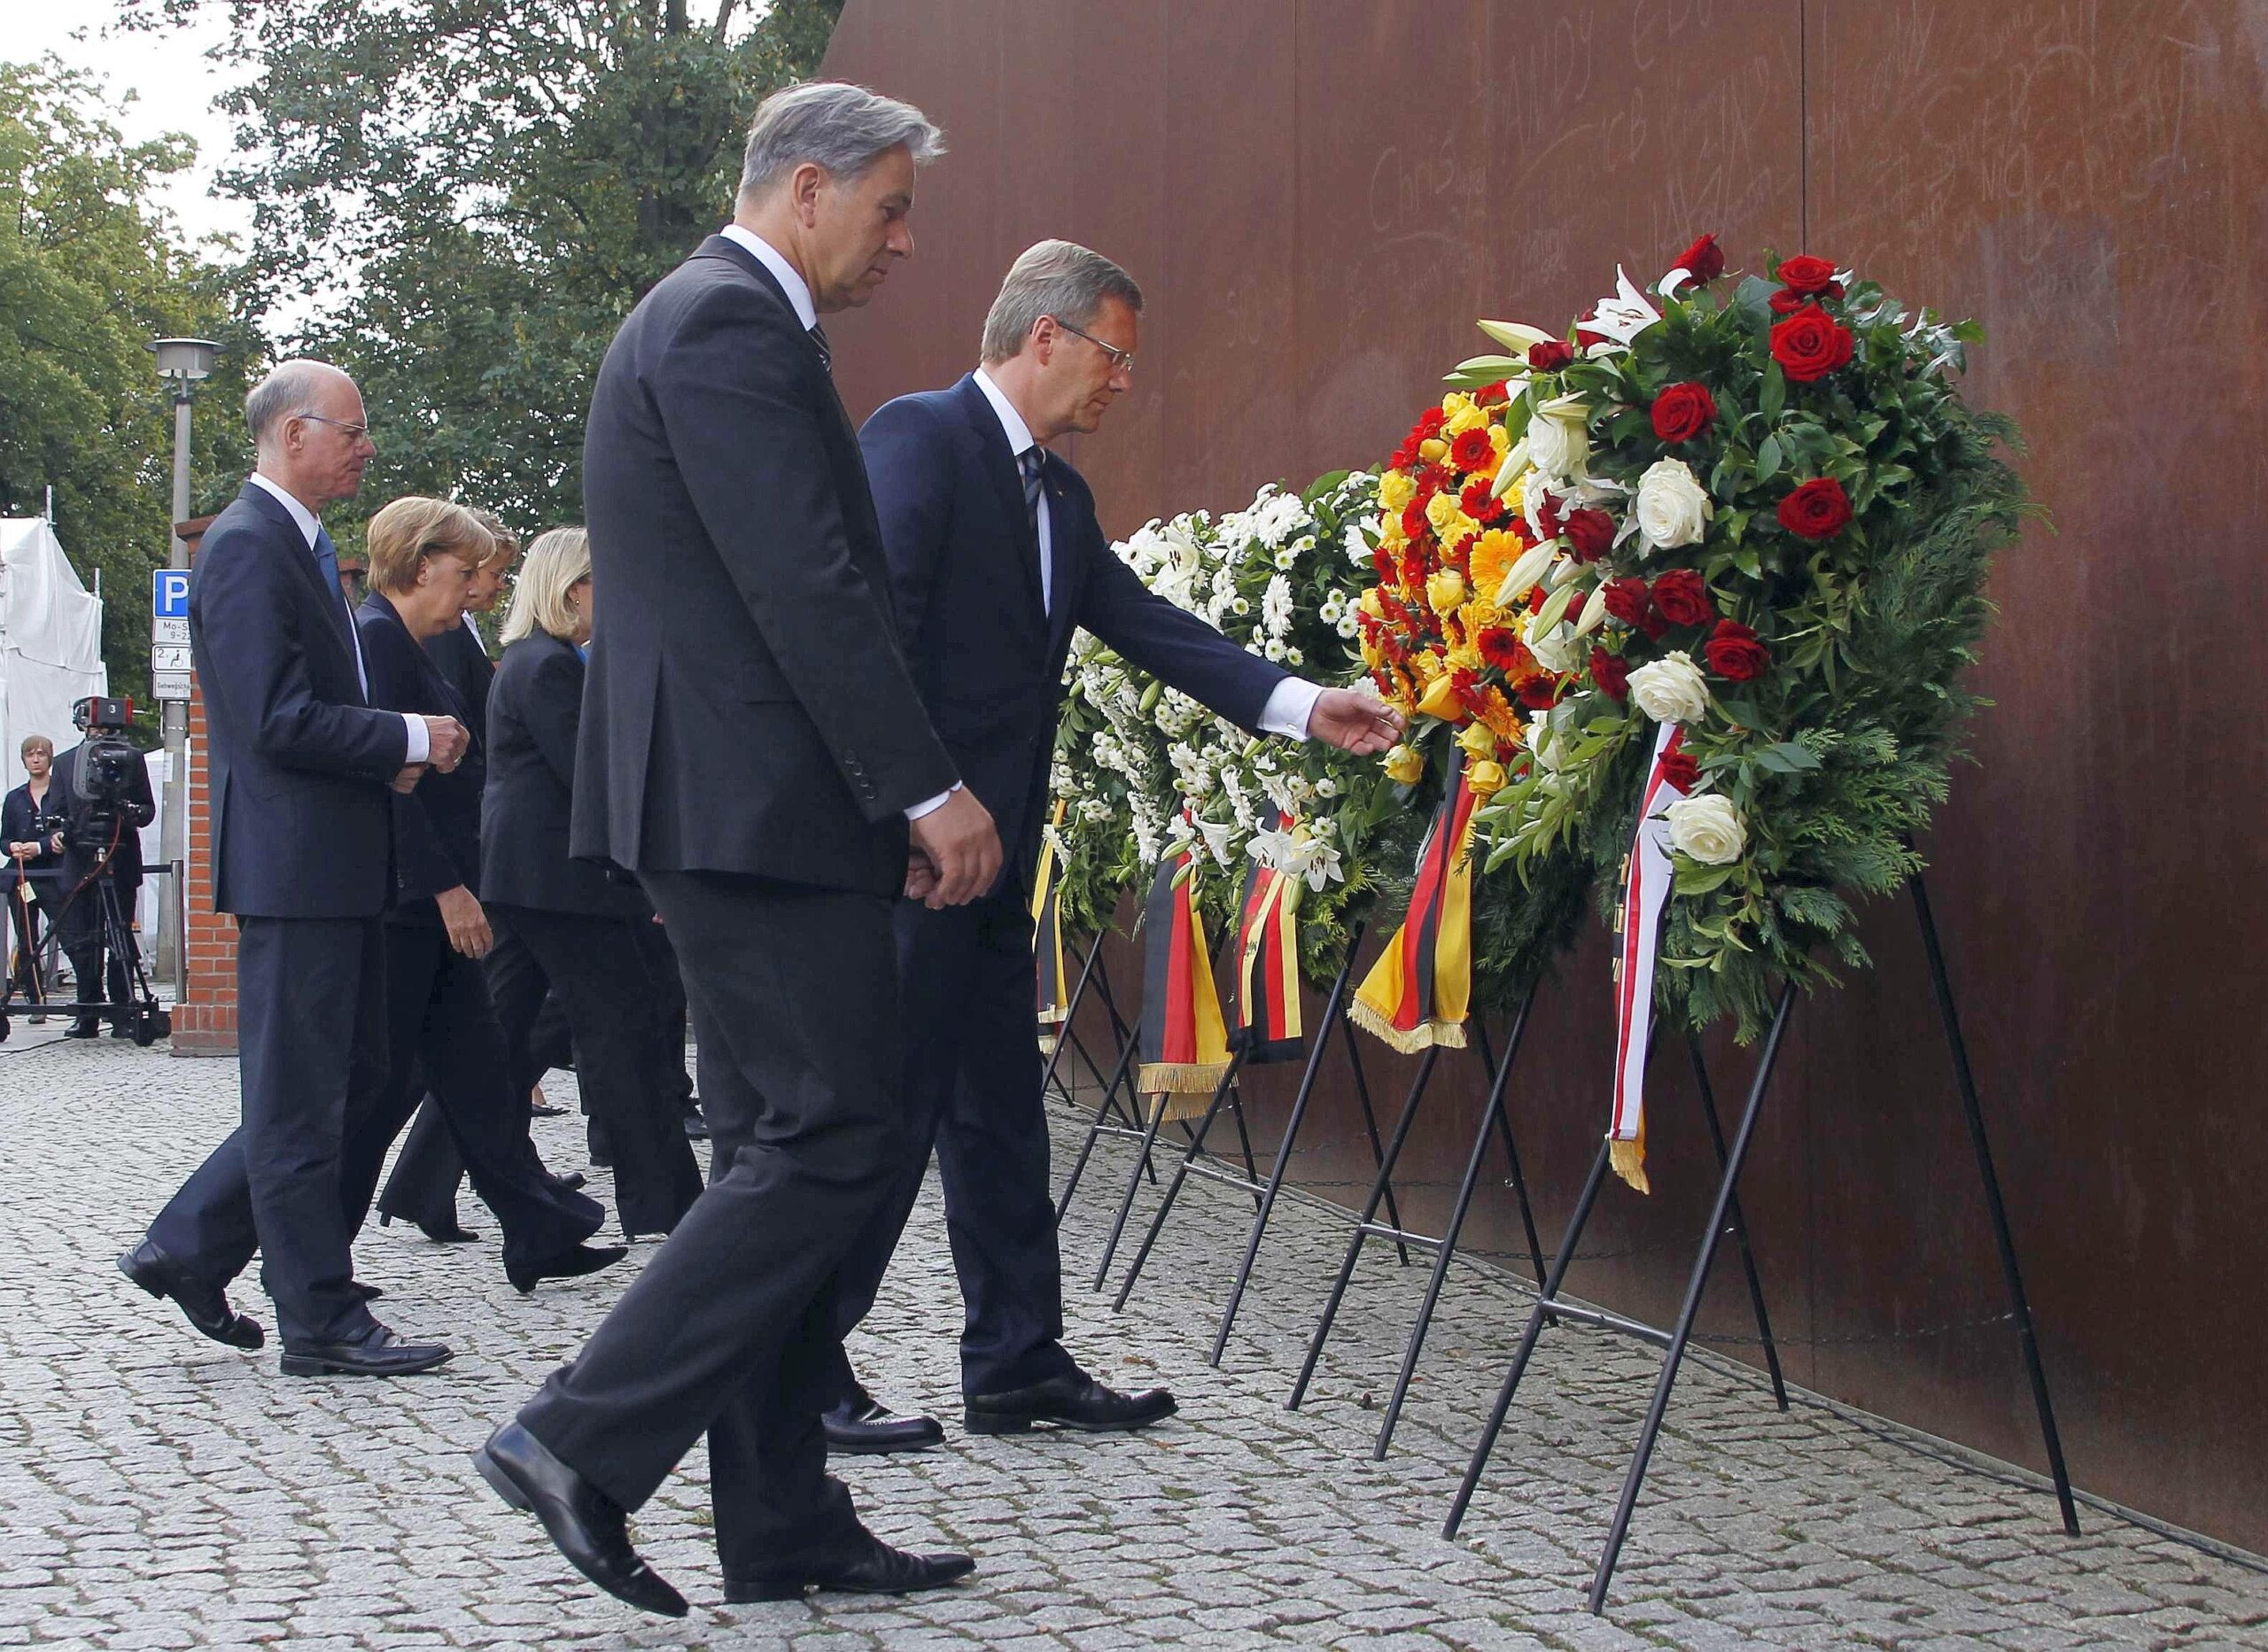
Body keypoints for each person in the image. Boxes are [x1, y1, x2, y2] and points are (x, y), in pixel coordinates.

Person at [474, 81, 992, 1617]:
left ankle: (780, 1522)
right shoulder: (721, 323)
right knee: (832, 1139)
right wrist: (923, 790)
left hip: (752, 809)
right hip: (747, 813)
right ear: (810, 187)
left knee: (789, 1149)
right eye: (893, 208)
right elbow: (808, 585)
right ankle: (574, 1436)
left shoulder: (725, 323)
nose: (905, 241)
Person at [828, 241, 1404, 1453]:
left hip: (994, 869)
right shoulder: (918, 440)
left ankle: (1016, 1360)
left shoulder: (1062, 497)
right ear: (1045, 336)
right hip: (917, 862)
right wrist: (911, 815)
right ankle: (803, 1367)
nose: (1124, 382)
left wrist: (1304, 703)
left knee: (999, 1117)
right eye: (1115, 354)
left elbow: (1146, 625)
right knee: (878, 1121)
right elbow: (866, 641)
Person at [120, 359, 468, 1378]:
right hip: (295, 868)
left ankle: (190, 1245)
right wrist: (404, 734)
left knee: (345, 1077)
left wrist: (392, 762)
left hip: (333, 858)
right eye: (351, 431)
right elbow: (271, 718)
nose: (367, 448)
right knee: (302, 1096)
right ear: (291, 435)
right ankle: (317, 1318)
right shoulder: (244, 546)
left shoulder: (301, 546)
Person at [336, 495, 625, 1294]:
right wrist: (450, 889)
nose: (476, 588)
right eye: (466, 572)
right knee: (375, 1087)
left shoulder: (414, 638)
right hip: (419, 899)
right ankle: (215, 1243)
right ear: (421, 565)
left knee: (477, 1071)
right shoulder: (381, 641)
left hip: (440, 890)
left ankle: (536, 1227)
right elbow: (402, 792)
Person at [472, 527, 702, 1242]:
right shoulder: (547, 666)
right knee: (623, 1030)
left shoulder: (535, 661)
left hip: (535, 873)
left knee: (506, 1034)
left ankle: (425, 1180)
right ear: (575, 590)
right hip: (557, 878)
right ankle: (663, 1203)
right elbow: (591, 781)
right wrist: (648, 875)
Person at [47, 717, 157, 1038]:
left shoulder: (132, 759)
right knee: (82, 939)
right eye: (95, 726)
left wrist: (129, 810)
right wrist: (57, 833)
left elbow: (146, 810)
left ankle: (123, 1010)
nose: (100, 732)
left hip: (118, 855)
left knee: (120, 936)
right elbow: (54, 811)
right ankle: (87, 1009)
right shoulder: (66, 762)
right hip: (80, 858)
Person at [3, 733, 63, 1018]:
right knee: (26, 936)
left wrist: (40, 847)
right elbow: (3, 840)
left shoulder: (60, 794)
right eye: (30, 754)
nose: (36, 758)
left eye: (41, 753)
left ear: (50, 757)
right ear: (24, 759)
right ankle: (34, 996)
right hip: (22, 876)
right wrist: (13, 847)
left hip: (53, 873)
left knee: (63, 927)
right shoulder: (14, 798)